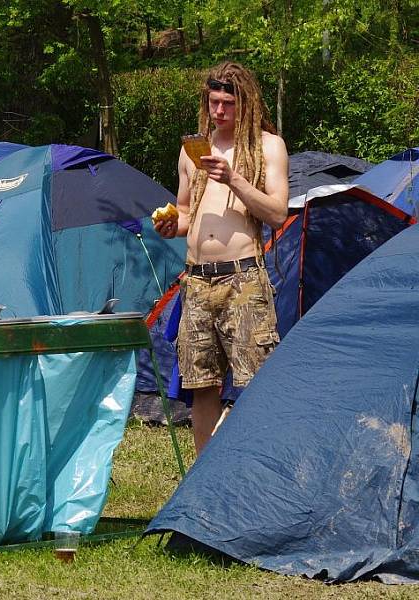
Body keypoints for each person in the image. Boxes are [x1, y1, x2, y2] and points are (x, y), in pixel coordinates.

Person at [154, 61, 288, 455]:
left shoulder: (266, 146)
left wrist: (234, 178)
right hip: (195, 281)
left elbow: (278, 213)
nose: (218, 111)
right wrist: (170, 224)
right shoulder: (192, 150)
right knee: (200, 383)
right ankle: (203, 479)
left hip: (242, 280)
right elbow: (184, 212)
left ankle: (255, 467)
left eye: (227, 103)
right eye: (213, 102)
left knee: (257, 381)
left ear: (245, 104)